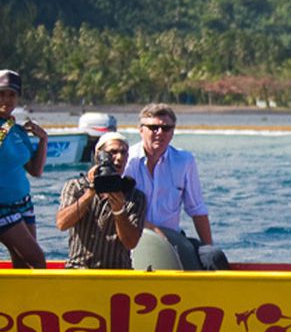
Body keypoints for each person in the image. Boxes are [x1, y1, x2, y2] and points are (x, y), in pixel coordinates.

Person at [124, 103, 220, 270]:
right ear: (141, 130)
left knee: (213, 256)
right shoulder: (126, 160)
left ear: (172, 132)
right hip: (132, 237)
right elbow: (115, 210)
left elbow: (197, 209)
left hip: (171, 238)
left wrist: (208, 245)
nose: (160, 133)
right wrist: (152, 229)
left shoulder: (184, 161)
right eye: (154, 128)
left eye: (166, 128)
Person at [54, 132, 146, 269]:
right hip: (79, 268)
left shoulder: (135, 196)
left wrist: (119, 211)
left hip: (117, 270)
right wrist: (90, 192)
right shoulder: (75, 187)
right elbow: (62, 224)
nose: (119, 157)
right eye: (113, 152)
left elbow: (131, 243)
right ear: (99, 155)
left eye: (123, 153)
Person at [0, 69, 47, 268]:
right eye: (1, 93)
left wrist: (43, 139)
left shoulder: (17, 130)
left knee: (21, 263)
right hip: (2, 207)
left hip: (24, 203)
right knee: (37, 259)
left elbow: (35, 171)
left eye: (12, 94)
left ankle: (20, 301)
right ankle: (44, 300)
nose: (6, 99)